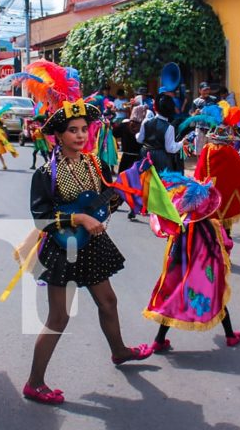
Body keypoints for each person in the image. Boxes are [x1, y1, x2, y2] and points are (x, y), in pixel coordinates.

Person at [25, 97, 152, 405]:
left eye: (84, 129)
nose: (81, 135)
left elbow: (107, 200)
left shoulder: (95, 163)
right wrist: (79, 217)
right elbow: (41, 219)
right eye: (73, 130)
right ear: (59, 135)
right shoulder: (45, 173)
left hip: (92, 245)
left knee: (108, 302)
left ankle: (119, 351)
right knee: (59, 317)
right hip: (61, 248)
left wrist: (114, 200)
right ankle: (34, 382)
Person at [144, 175, 240, 353]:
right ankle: (230, 336)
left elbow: (171, 252)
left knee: (173, 300)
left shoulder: (179, 226)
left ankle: (159, 340)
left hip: (179, 272)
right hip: (204, 275)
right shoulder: (213, 226)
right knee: (217, 299)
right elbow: (226, 246)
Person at [137, 94, 186, 174]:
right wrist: (182, 143)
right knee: (160, 182)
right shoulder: (169, 127)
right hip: (161, 158)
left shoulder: (146, 122)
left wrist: (137, 135)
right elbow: (170, 148)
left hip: (145, 155)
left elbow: (139, 140)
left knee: (145, 180)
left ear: (155, 108)